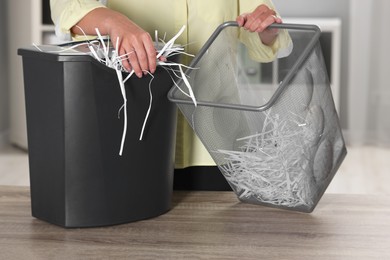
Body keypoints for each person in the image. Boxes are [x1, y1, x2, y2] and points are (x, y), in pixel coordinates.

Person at [50, 0, 291, 189]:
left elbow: (268, 40)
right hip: (138, 139)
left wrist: (265, 26)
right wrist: (115, 22)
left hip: (218, 146)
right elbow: (65, 7)